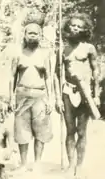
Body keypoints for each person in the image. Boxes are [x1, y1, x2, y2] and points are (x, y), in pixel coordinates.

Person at [54, 13, 100, 178]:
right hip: (67, 91)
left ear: (85, 30)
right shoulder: (62, 49)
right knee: (70, 130)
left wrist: (96, 94)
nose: (75, 28)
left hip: (85, 93)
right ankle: (71, 163)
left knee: (81, 131)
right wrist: (58, 97)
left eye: (80, 27)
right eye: (73, 25)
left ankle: (79, 166)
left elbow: (96, 71)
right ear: (68, 27)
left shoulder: (89, 48)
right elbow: (57, 75)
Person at [12, 22, 53, 173]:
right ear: (25, 35)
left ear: (40, 35)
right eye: (30, 33)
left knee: (41, 131)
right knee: (22, 131)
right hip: (21, 94)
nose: (33, 36)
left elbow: (49, 77)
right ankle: (23, 164)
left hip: (40, 95)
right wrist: (11, 97)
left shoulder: (45, 53)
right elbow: (12, 77)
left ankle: (37, 163)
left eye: (36, 33)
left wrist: (51, 98)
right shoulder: (18, 53)